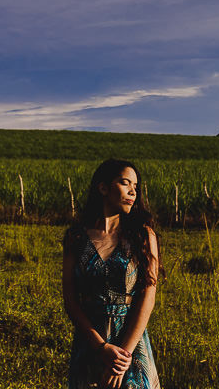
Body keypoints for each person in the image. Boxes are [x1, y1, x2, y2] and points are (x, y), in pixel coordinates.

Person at [62, 159, 162, 389]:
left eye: (135, 187)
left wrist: (123, 357)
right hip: (90, 342)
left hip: (130, 344)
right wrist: (100, 347)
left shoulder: (142, 235)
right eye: (125, 183)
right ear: (103, 188)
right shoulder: (76, 237)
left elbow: (148, 296)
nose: (132, 192)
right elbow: (70, 300)